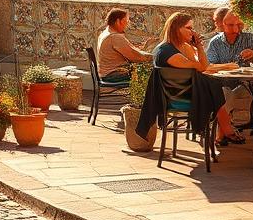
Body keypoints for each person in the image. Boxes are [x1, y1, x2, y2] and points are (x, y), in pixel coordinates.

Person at [152, 12, 244, 146]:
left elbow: (202, 67)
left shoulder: (178, 47)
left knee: (217, 89)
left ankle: (223, 133)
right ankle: (224, 132)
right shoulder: (168, 53)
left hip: (182, 93)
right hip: (177, 98)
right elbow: (203, 67)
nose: (193, 32)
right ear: (177, 29)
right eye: (189, 28)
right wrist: (200, 47)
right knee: (219, 91)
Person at [96, 8, 152, 82]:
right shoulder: (115, 37)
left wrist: (144, 48)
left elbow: (130, 51)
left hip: (105, 74)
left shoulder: (105, 33)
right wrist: (154, 57)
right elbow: (136, 57)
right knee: (152, 72)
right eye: (126, 21)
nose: (127, 24)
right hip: (113, 75)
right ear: (118, 21)